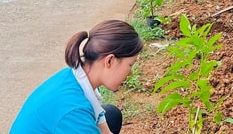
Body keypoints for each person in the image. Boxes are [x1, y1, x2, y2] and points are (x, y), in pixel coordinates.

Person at [10, 20, 144, 134]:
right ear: (109, 61)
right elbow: (74, 114)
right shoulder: (74, 112)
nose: (130, 73)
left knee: (111, 115)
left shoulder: (74, 76)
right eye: (130, 65)